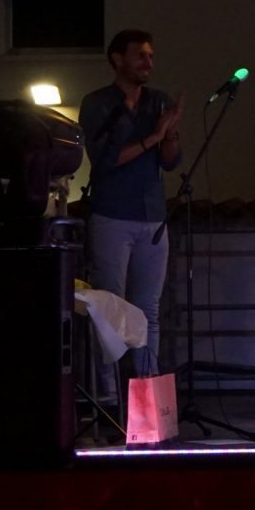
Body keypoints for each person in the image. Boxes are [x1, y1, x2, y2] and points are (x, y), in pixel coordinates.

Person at [79, 29, 185, 378]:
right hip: (112, 214)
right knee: (110, 305)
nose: (148, 63)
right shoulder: (97, 103)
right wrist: (153, 136)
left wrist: (170, 133)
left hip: (153, 216)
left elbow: (171, 161)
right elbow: (105, 160)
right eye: (140, 55)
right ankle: (109, 393)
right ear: (117, 59)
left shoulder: (158, 101)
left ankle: (146, 388)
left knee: (148, 308)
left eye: (151, 56)